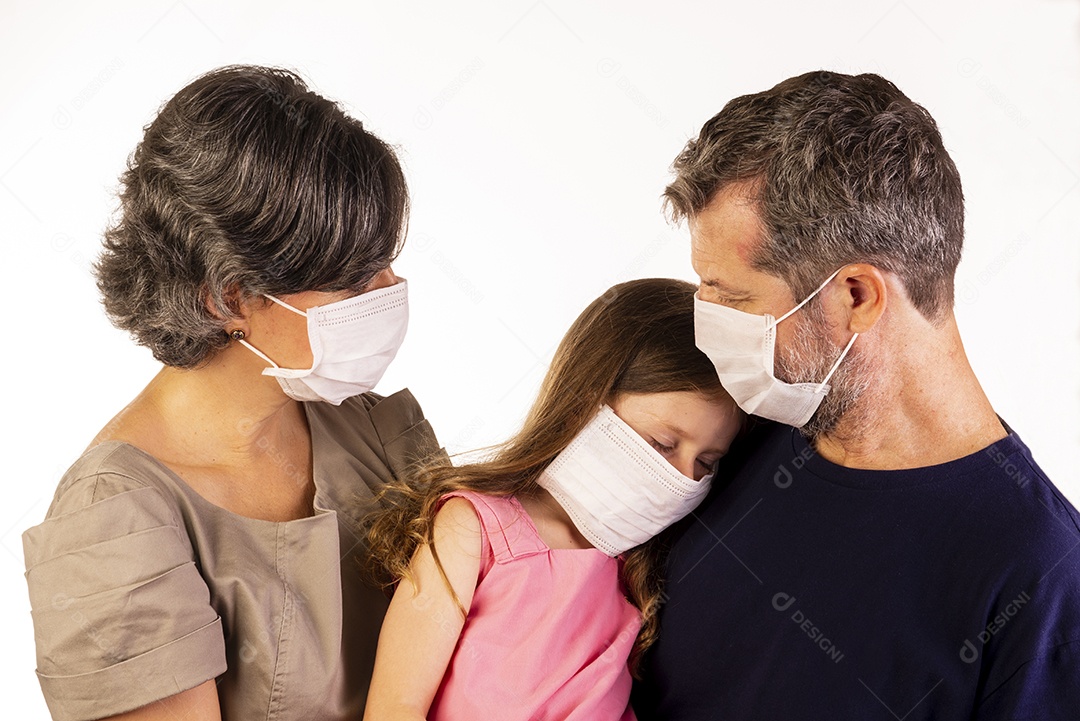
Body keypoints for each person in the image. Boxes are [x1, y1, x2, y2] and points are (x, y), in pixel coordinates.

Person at [631, 71, 1080, 719]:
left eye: (732, 299)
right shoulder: (725, 440)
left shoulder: (1040, 583)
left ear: (856, 296)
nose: (709, 327)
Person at [21, 65, 443, 721]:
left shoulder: (373, 431)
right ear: (228, 296)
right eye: (356, 280)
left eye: (389, 261)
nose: (391, 291)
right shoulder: (109, 519)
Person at [361, 278, 744, 721]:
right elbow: (395, 705)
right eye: (662, 443)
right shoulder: (473, 528)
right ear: (585, 403)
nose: (680, 479)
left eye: (707, 462)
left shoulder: (639, 571)